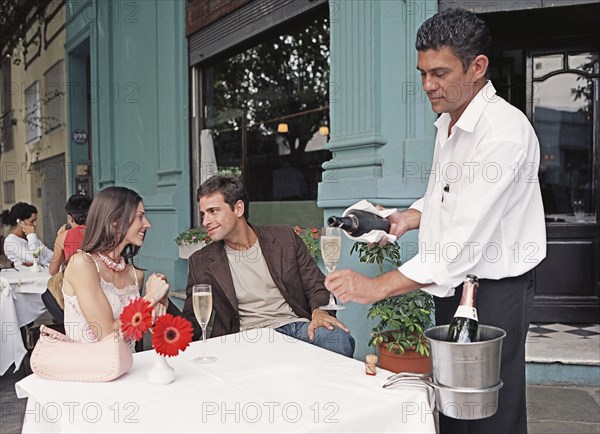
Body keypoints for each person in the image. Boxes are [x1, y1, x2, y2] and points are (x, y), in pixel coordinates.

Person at [325, 8, 546, 434]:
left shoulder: (503, 133)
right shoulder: (449, 122)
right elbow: (443, 198)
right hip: (451, 288)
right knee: (451, 406)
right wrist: (404, 219)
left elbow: (459, 243)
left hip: (495, 292)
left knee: (491, 413)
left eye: (440, 73)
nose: (427, 85)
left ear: (477, 67)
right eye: (423, 72)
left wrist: (374, 288)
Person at [182, 175, 355, 357]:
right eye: (203, 214)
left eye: (213, 211)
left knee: (336, 338)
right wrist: (162, 311)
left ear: (238, 208)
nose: (205, 222)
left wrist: (320, 313)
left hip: (296, 327)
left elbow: (316, 285)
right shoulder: (201, 261)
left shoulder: (283, 238)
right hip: (247, 338)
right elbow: (192, 320)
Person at [62, 187, 169, 347]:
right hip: (87, 369)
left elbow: (137, 329)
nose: (147, 224)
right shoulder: (82, 264)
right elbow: (108, 336)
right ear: (115, 221)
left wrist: (161, 301)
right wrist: (151, 297)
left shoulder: (135, 275)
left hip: (128, 366)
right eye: (140, 216)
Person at [49, 194, 93, 276]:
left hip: (73, 283)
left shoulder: (63, 236)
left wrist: (60, 238)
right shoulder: (100, 233)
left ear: (70, 218)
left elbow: (53, 271)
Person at [1, 202, 54, 268]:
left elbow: (51, 256)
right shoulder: (10, 241)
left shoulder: (30, 238)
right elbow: (35, 258)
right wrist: (31, 235)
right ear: (20, 222)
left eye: (35, 221)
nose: (35, 224)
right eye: (32, 221)